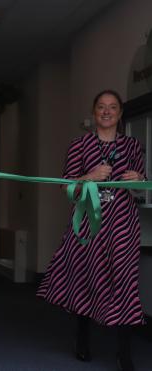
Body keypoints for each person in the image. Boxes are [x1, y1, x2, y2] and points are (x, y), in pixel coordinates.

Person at [37, 89, 146, 371]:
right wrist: (89, 176)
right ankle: (82, 339)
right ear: (94, 112)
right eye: (101, 107)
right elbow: (66, 187)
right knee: (86, 278)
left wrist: (140, 178)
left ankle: (124, 353)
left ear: (120, 113)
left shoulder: (133, 146)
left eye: (112, 107)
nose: (107, 111)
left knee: (124, 284)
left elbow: (140, 190)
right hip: (88, 223)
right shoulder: (78, 146)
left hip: (122, 224)